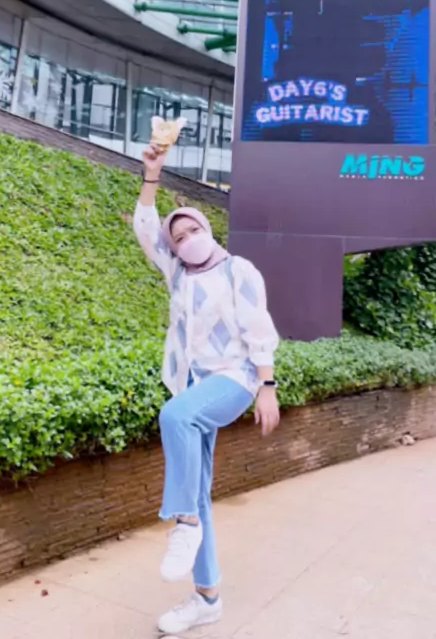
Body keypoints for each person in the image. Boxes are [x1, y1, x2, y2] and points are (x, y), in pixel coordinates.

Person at [133, 144, 280, 636]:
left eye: (193, 230)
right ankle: (207, 597)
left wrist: (267, 386)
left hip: (234, 379)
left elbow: (258, 327)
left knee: (175, 415)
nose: (186, 239)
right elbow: (145, 228)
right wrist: (151, 176)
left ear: (208, 229)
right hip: (194, 384)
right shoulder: (176, 274)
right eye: (178, 237)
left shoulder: (239, 270)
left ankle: (184, 523)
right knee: (198, 491)